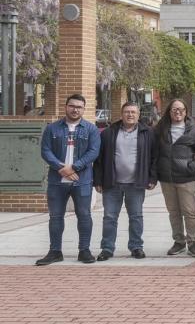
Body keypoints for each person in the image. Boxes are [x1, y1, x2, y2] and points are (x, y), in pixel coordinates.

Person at [36, 94, 101, 266]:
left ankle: (84, 250)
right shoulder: (52, 128)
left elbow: (93, 152)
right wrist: (60, 168)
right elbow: (45, 151)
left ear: (84, 109)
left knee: (84, 215)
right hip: (57, 181)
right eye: (72, 106)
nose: (75, 109)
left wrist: (73, 167)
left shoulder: (91, 129)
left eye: (79, 107)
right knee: (56, 216)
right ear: (66, 107)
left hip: (82, 180)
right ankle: (55, 251)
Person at [94, 101, 157, 260]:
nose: (130, 115)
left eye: (133, 112)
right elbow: (99, 159)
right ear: (121, 114)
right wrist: (98, 180)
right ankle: (107, 248)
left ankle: (136, 246)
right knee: (109, 217)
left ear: (138, 115)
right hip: (112, 183)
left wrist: (152, 177)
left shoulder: (147, 133)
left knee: (136, 216)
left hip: (136, 183)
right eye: (127, 112)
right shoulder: (108, 133)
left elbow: (154, 158)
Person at [153, 98, 195, 257]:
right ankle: (179, 241)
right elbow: (154, 153)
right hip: (167, 179)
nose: (178, 112)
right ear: (169, 112)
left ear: (186, 112)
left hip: (186, 179)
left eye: (181, 110)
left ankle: (193, 242)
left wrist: (191, 167)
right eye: (174, 109)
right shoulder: (161, 130)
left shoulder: (194, 131)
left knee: (190, 211)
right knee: (173, 212)